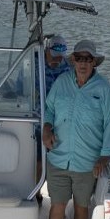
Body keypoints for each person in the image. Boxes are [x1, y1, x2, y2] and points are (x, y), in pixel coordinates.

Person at [36, 38, 110, 219]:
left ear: (94, 63)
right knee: (58, 204)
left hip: (87, 161)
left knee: (82, 205)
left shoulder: (104, 89)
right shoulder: (62, 82)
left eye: (88, 59)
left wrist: (105, 156)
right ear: (73, 61)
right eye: (79, 58)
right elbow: (49, 110)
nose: (83, 63)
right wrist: (46, 128)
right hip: (58, 156)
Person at [34, 35, 71, 205]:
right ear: (46, 50)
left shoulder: (68, 68)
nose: (57, 60)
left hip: (60, 121)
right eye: (54, 56)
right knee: (38, 160)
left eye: (60, 57)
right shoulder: (33, 64)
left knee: (58, 161)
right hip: (36, 118)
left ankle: (57, 200)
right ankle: (36, 193)